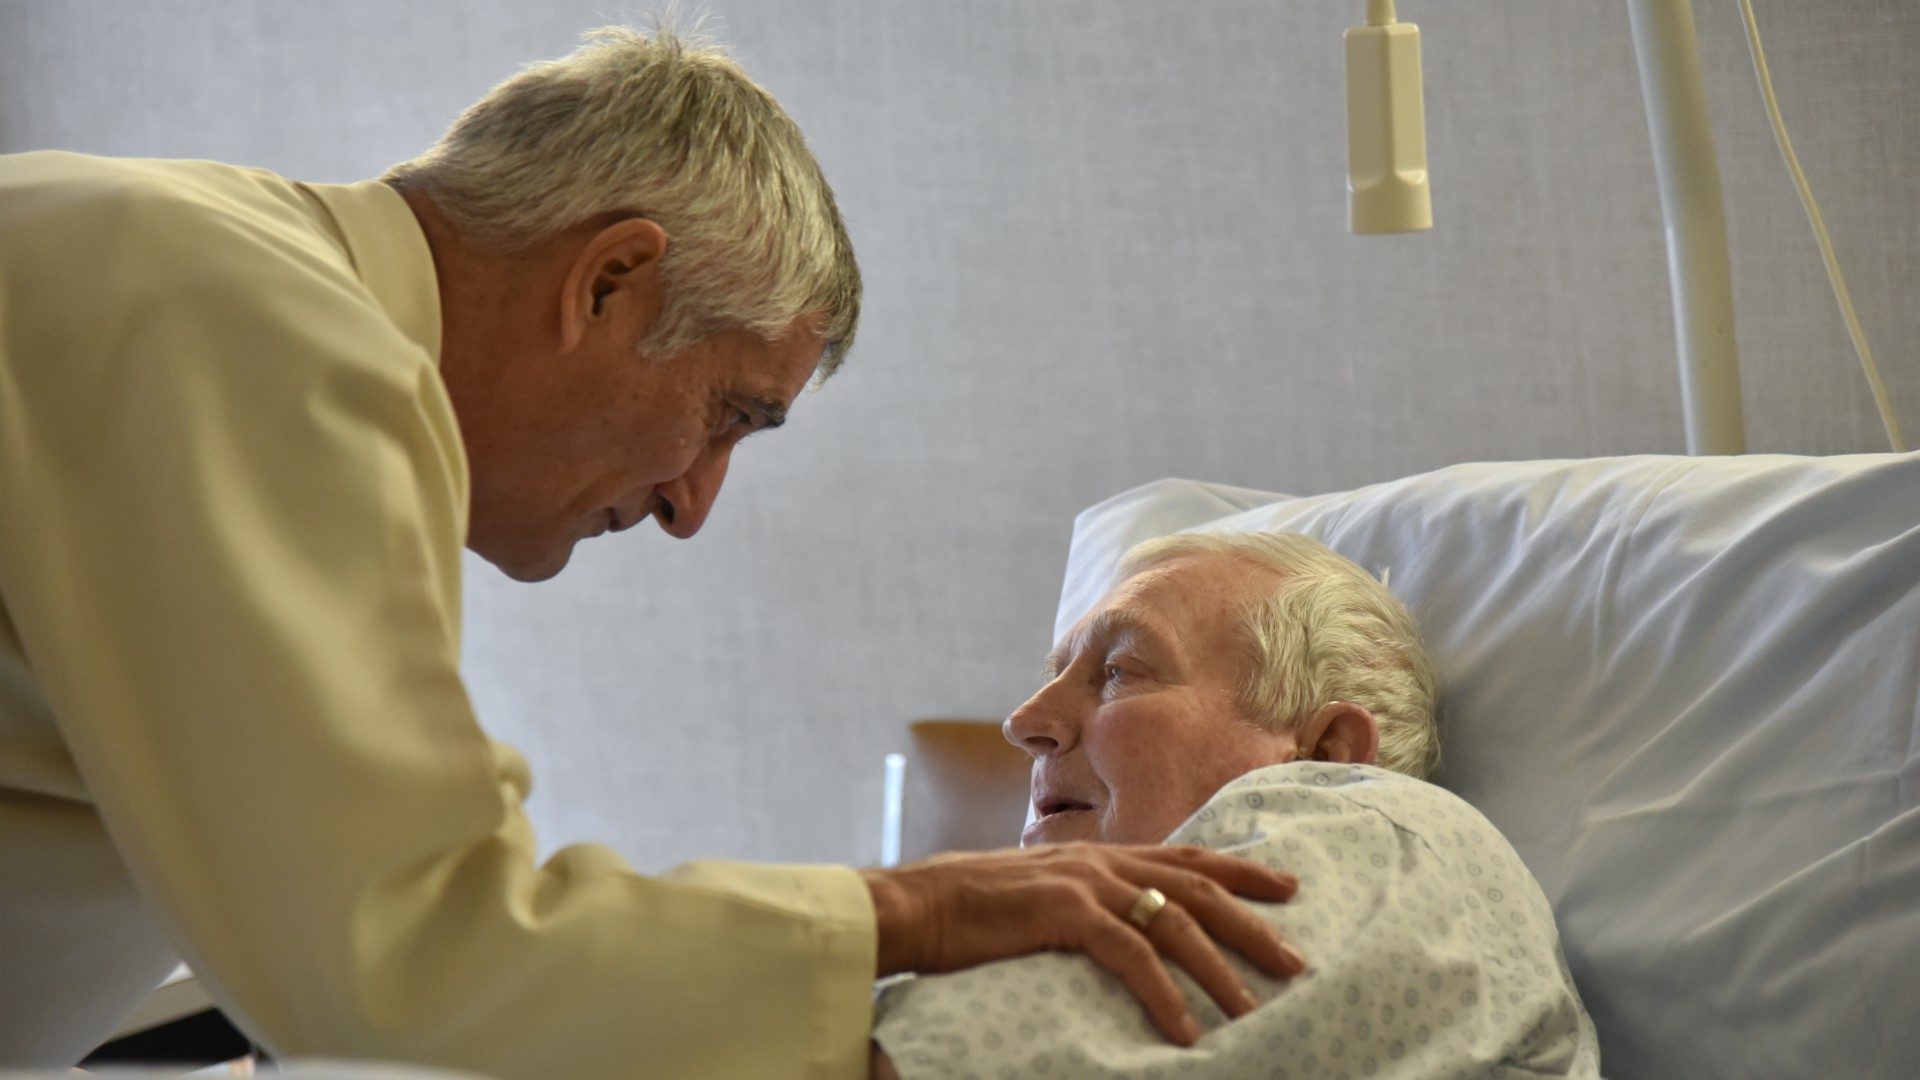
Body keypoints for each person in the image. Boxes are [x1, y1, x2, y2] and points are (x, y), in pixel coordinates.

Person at [0, 25, 1304, 1078]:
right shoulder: (280, 348)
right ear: (609, 279)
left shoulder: (185, 261)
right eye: (728, 415)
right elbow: (400, 955)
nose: (693, 504)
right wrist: (925, 912)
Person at [871, 532, 1603, 1078]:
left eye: (1120, 670)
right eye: (1055, 673)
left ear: (1326, 750)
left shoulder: (1383, 832)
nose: (1023, 722)